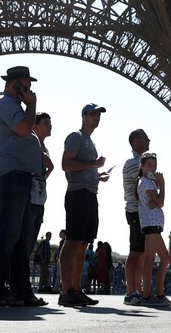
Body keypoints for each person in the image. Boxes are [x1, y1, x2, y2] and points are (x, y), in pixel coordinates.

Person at [0, 66, 44, 307]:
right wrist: (32, 104)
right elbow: (23, 129)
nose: (29, 89)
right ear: (14, 84)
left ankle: (21, 290)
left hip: (18, 175)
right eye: (26, 85)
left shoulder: (12, 106)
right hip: (10, 175)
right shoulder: (7, 104)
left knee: (22, 235)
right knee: (10, 233)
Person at [60, 103, 109, 307]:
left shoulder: (89, 142)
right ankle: (66, 291)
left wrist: (97, 175)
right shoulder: (75, 137)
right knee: (72, 241)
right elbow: (66, 165)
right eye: (92, 114)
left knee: (82, 243)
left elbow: (82, 167)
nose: (96, 117)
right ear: (83, 116)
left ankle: (76, 289)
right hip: (78, 194)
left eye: (98, 115)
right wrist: (94, 165)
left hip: (90, 193)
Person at [135, 152, 171, 305]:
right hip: (152, 224)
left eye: (155, 165)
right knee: (150, 259)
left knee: (165, 258)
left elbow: (157, 202)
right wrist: (162, 184)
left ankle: (159, 293)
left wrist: (156, 200)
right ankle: (148, 295)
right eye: (149, 165)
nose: (153, 168)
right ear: (142, 166)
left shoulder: (146, 182)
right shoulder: (146, 182)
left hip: (153, 224)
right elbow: (161, 202)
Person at [122, 128, 151, 306]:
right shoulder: (134, 162)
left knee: (139, 253)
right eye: (146, 138)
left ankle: (136, 290)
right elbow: (149, 182)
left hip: (138, 212)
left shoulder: (137, 162)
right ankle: (130, 291)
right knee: (135, 252)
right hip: (136, 212)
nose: (149, 141)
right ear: (136, 142)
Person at [30, 112, 54, 274]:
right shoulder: (31, 145)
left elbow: (41, 175)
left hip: (39, 199)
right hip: (30, 199)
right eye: (46, 123)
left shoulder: (44, 148)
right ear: (35, 126)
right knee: (26, 240)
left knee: (30, 241)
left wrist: (49, 169)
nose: (50, 126)